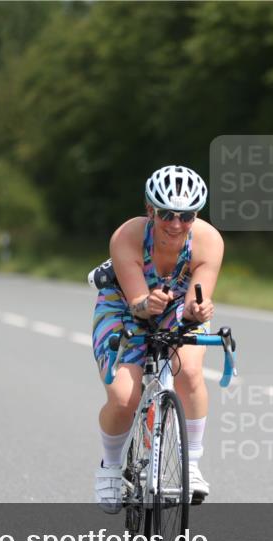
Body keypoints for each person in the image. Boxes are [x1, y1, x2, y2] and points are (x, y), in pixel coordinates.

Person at [90, 165, 224, 513]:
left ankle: (190, 465)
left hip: (177, 306)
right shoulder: (128, 236)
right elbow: (137, 301)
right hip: (123, 305)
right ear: (150, 210)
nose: (176, 224)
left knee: (190, 373)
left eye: (186, 215)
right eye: (166, 214)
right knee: (123, 397)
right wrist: (146, 303)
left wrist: (199, 309)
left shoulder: (209, 240)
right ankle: (111, 467)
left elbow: (198, 298)